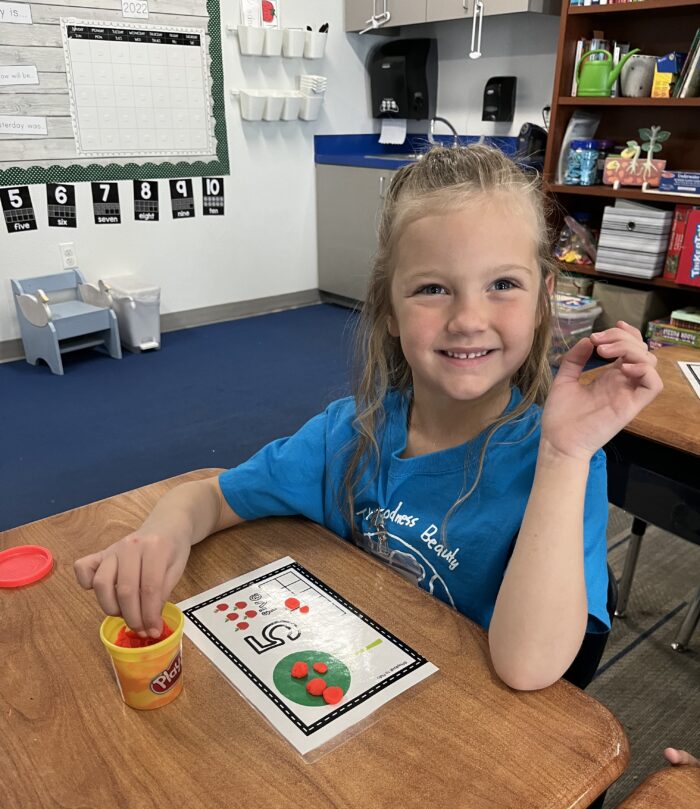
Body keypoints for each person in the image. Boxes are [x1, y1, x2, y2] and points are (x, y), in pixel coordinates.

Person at [75, 144, 662, 692]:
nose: (468, 318)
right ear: (388, 310)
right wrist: (160, 533)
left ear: (542, 301)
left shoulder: (564, 464)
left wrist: (564, 456)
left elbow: (528, 667)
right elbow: (212, 496)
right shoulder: (346, 434)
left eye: (503, 284)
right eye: (433, 288)